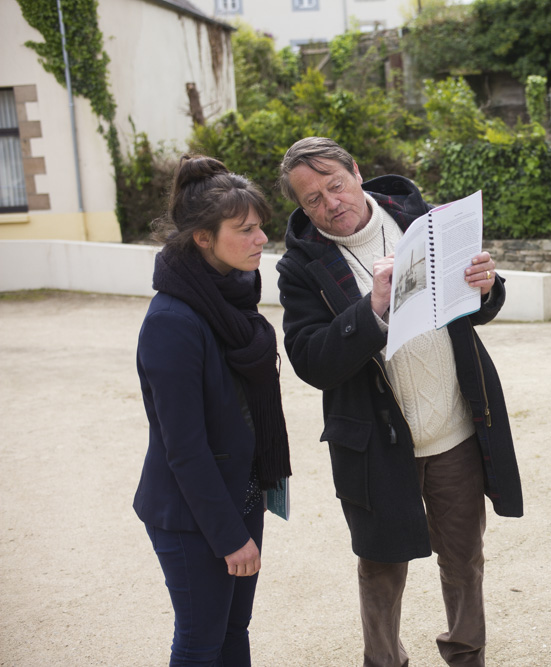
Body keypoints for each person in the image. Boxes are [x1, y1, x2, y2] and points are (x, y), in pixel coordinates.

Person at [274, 137, 522, 667]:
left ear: (357, 173)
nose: (329, 203)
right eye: (311, 199)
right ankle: (384, 662)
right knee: (380, 569)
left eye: (334, 185)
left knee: (464, 562)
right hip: (375, 444)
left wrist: (487, 286)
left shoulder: (423, 221)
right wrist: (373, 310)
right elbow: (311, 361)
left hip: (454, 428)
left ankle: (466, 656)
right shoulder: (300, 267)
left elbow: (474, 306)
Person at [133, 155, 292, 665]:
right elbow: (184, 447)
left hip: (240, 494)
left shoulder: (233, 299)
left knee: (233, 631)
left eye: (260, 228)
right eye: (244, 230)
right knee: (201, 642)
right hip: (191, 515)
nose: (260, 239)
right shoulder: (173, 321)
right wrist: (229, 537)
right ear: (203, 237)